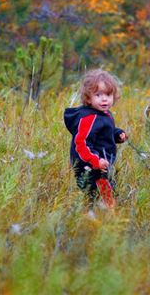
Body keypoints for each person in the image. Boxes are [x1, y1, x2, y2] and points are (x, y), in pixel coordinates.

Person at [64, 69, 127, 208]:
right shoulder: (89, 118)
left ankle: (99, 215)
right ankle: (105, 220)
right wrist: (95, 161)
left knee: (105, 193)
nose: (104, 99)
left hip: (102, 165)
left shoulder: (104, 113)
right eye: (98, 95)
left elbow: (104, 134)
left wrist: (118, 134)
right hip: (90, 167)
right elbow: (81, 143)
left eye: (108, 94)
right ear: (88, 98)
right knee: (104, 198)